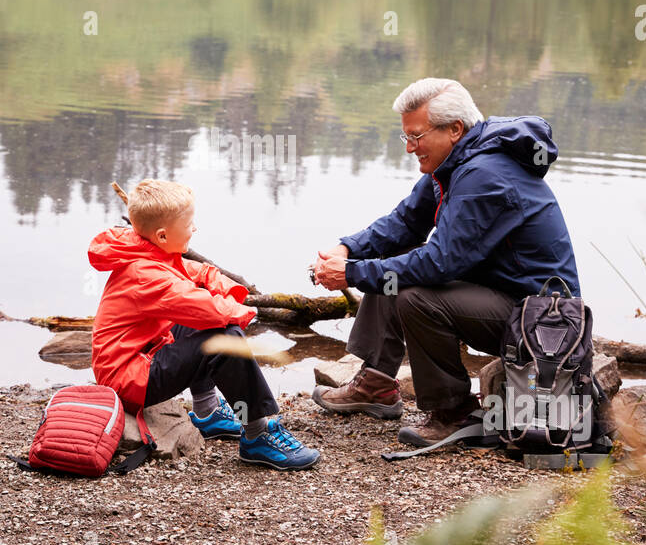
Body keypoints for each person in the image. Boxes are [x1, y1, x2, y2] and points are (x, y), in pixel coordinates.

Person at [311, 78, 580, 447]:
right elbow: (405, 223)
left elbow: (440, 263)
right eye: (405, 137)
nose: (409, 148)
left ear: (454, 129)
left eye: (416, 137)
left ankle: (453, 412)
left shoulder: (485, 175)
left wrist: (353, 274)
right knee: (391, 263)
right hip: (499, 295)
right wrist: (347, 248)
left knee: (414, 294)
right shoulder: (456, 163)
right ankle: (376, 383)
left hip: (540, 320)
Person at [88, 179, 320, 470]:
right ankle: (258, 435)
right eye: (189, 224)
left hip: (136, 357)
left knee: (204, 325)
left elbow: (193, 270)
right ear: (162, 235)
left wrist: (231, 288)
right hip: (130, 378)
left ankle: (208, 412)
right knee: (223, 336)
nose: (194, 228)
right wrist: (242, 313)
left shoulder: (141, 248)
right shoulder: (146, 275)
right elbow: (207, 309)